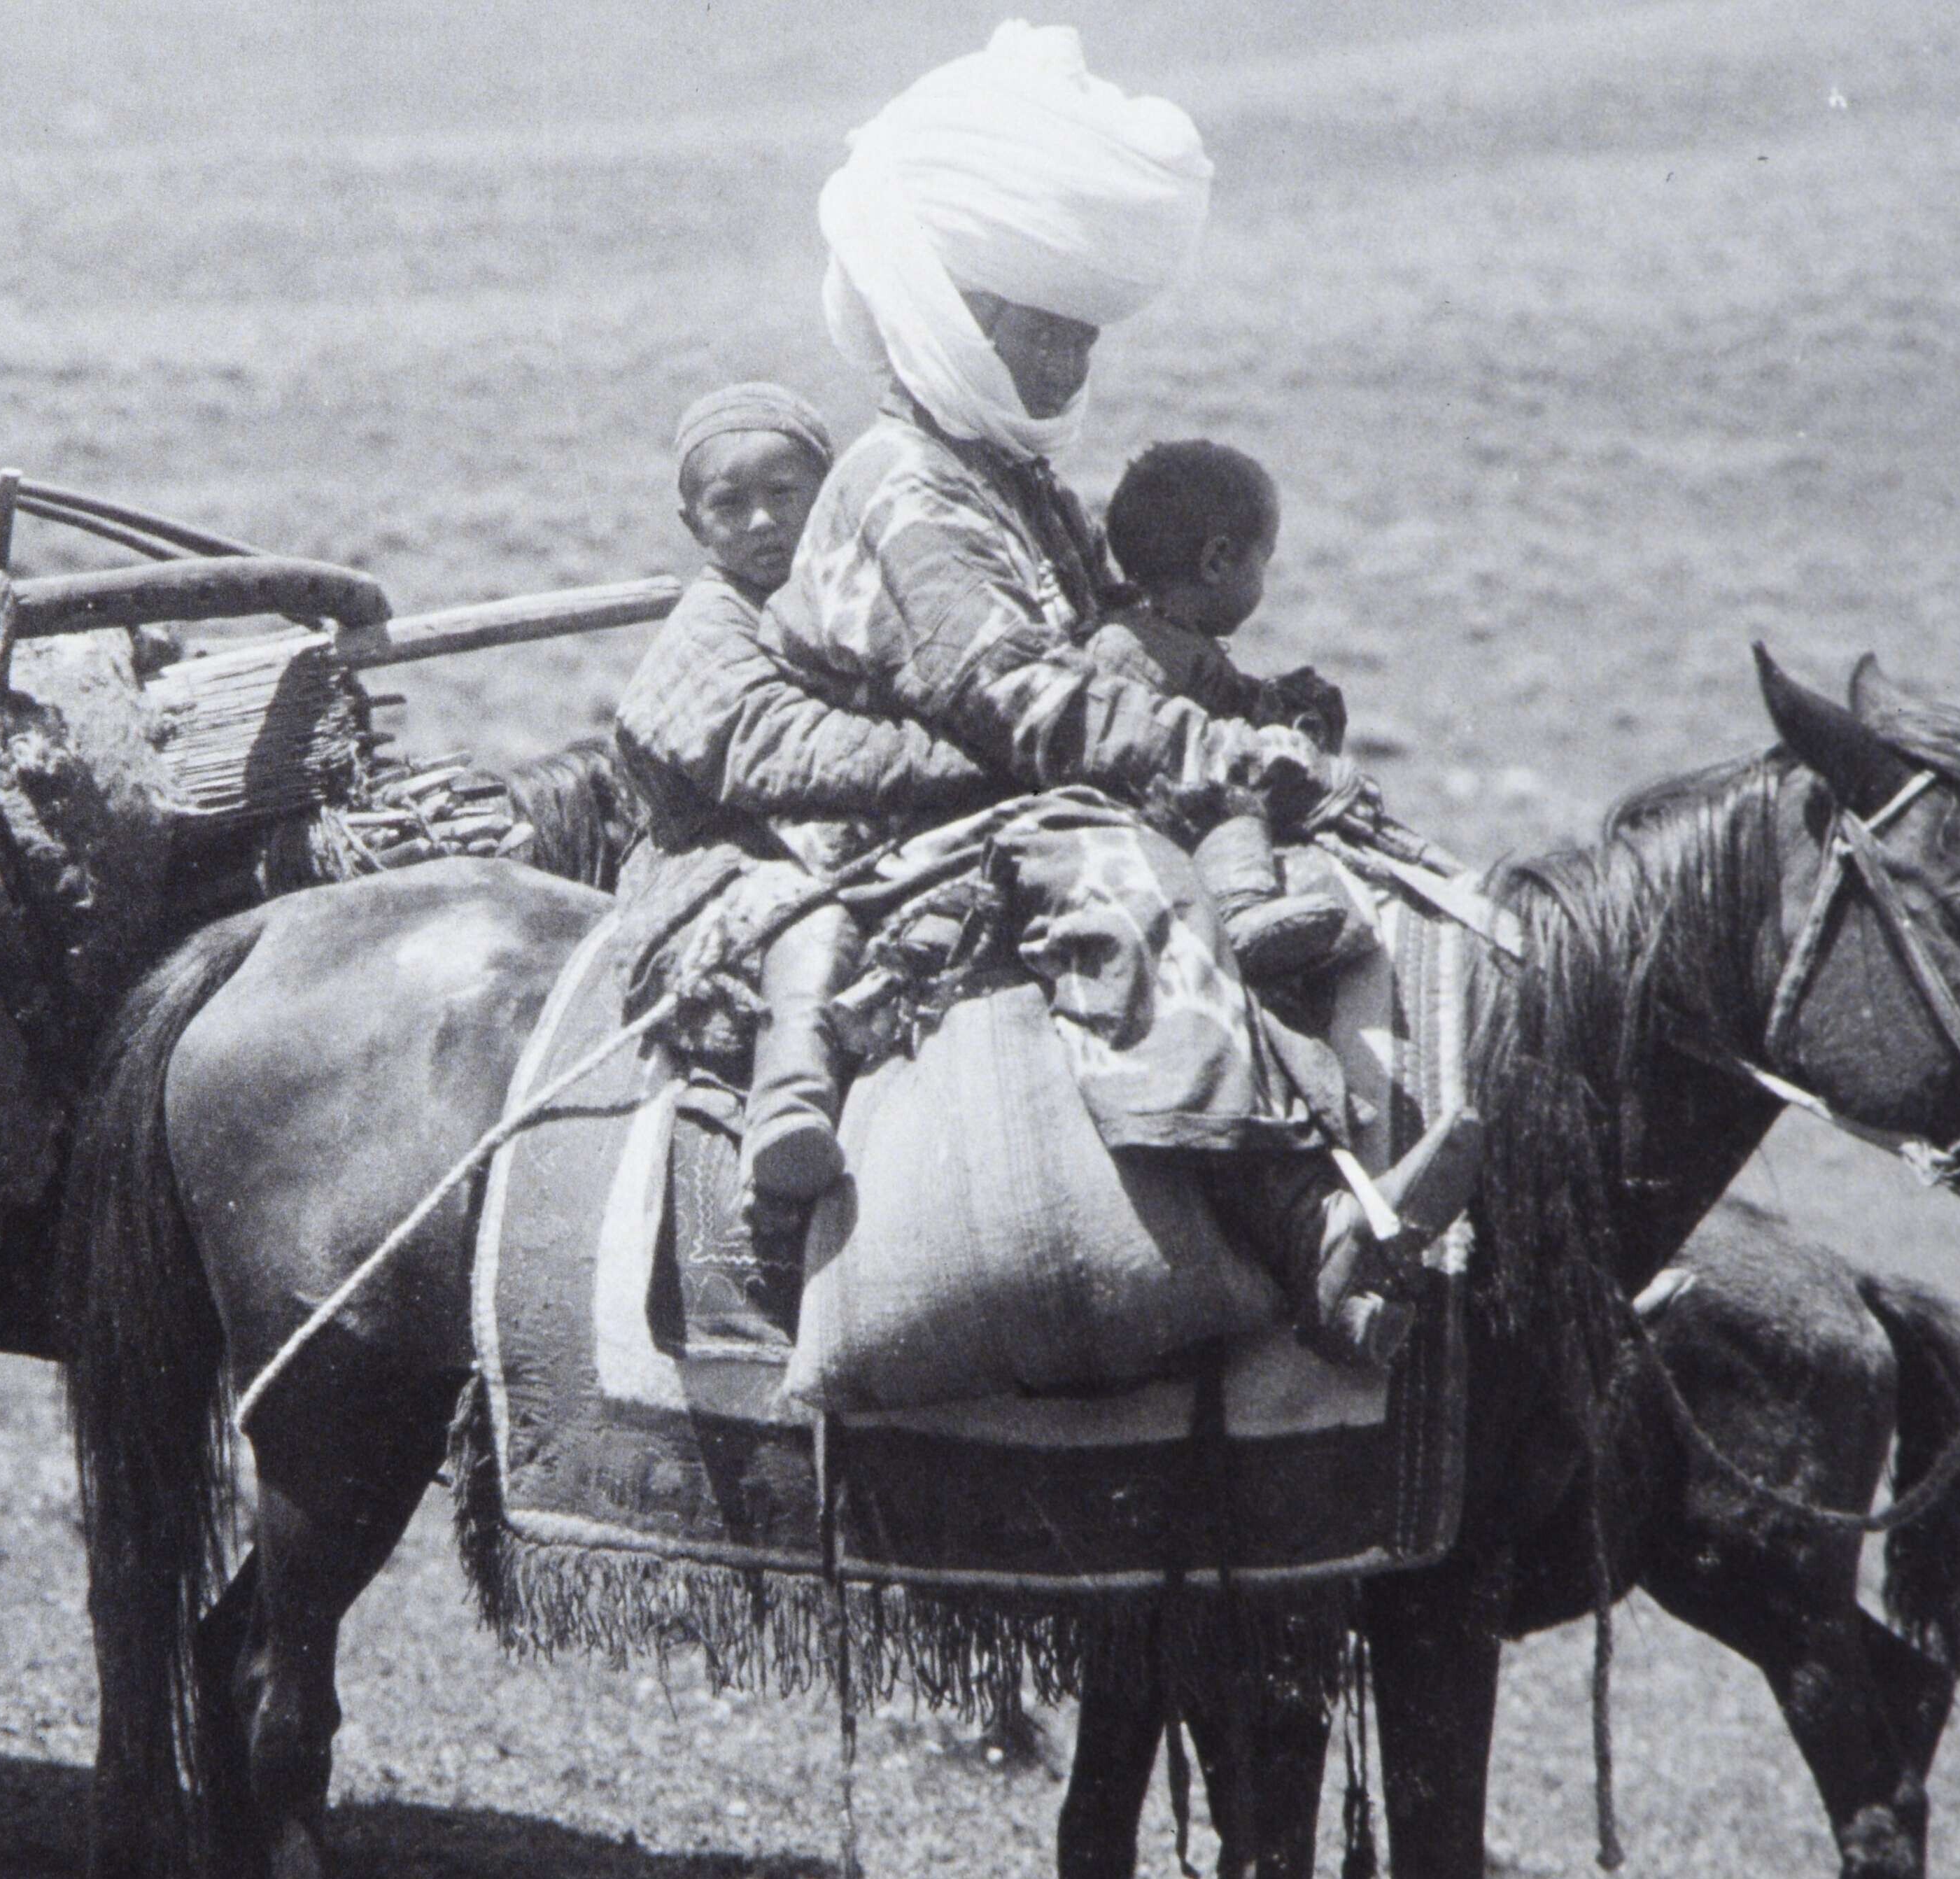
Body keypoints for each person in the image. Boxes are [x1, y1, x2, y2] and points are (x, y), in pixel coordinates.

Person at [752, 21, 1480, 1364]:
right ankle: (1303, 1220)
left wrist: (1253, 719)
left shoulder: (1011, 480)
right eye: (1046, 337)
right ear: (960, 316)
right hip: (905, 824)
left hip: (1018, 792)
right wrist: (1219, 753)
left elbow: (1111, 642)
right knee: (1141, 891)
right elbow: (1017, 694)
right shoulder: (906, 489)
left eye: (1081, 342)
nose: (1068, 371)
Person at [609, 381, 993, 1218]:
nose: (761, 522)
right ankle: (788, 1111)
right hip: (724, 862)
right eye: (729, 504)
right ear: (693, 524)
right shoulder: (707, 627)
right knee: (802, 915)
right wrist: (973, 755)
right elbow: (783, 748)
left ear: (829, 491)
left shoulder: (852, 591)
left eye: (785, 495)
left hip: (858, 832)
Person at [1087, 437, 1367, 996]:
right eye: (1265, 560)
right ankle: (1241, 909)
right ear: (1217, 561)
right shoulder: (1128, 651)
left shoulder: (1178, 643)